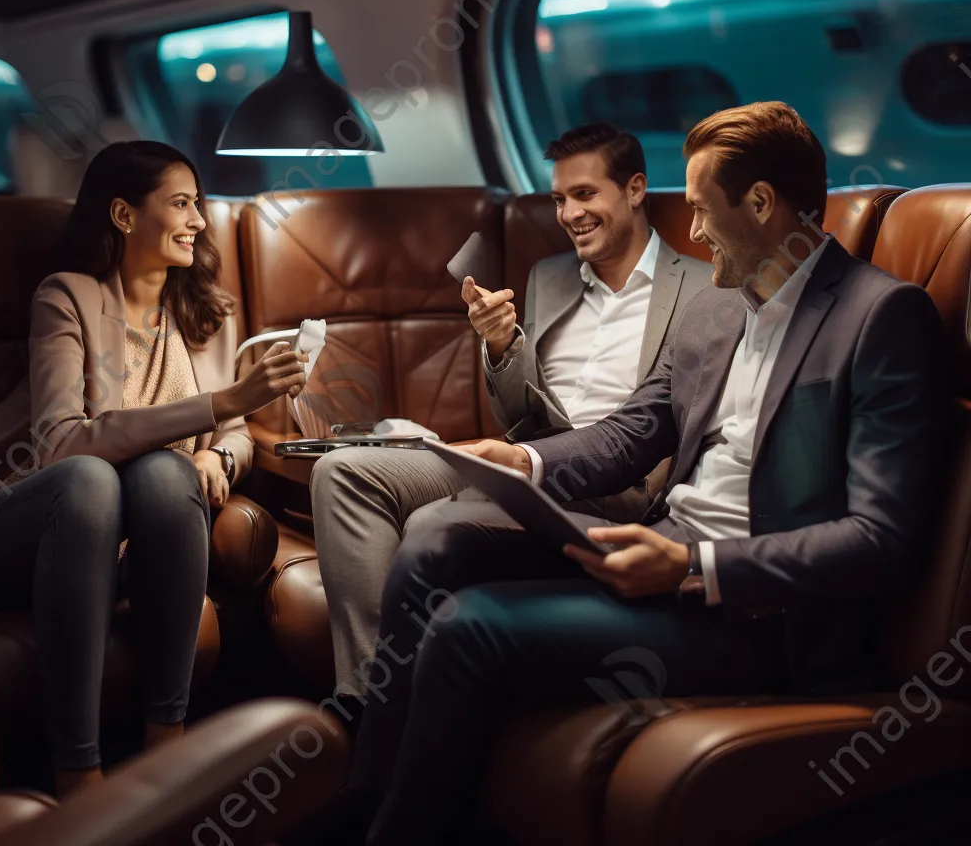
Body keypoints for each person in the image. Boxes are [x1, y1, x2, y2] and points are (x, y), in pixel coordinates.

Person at [347, 102, 948, 845]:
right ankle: (362, 800)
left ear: (760, 204)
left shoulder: (882, 316)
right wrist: (525, 459)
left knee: (470, 628)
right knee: (436, 543)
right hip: (662, 545)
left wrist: (697, 564)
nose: (691, 234)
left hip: (760, 617)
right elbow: (636, 430)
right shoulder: (719, 309)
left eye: (701, 211)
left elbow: (880, 540)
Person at [0, 142, 308, 798]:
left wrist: (218, 451)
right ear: (122, 214)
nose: (198, 219)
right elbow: (62, 444)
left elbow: (234, 430)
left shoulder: (201, 309)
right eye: (180, 203)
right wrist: (225, 402)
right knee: (90, 477)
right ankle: (78, 774)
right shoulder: (68, 298)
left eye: (198, 203)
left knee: (167, 477)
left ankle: (163, 754)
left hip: (111, 525)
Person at [310, 122, 711, 702]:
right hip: (531, 460)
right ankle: (371, 693)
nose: (569, 213)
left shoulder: (702, 286)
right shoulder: (548, 277)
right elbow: (522, 422)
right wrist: (502, 347)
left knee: (433, 525)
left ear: (636, 189)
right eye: (558, 199)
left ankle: (390, 707)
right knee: (342, 472)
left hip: (623, 482)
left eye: (584, 194)